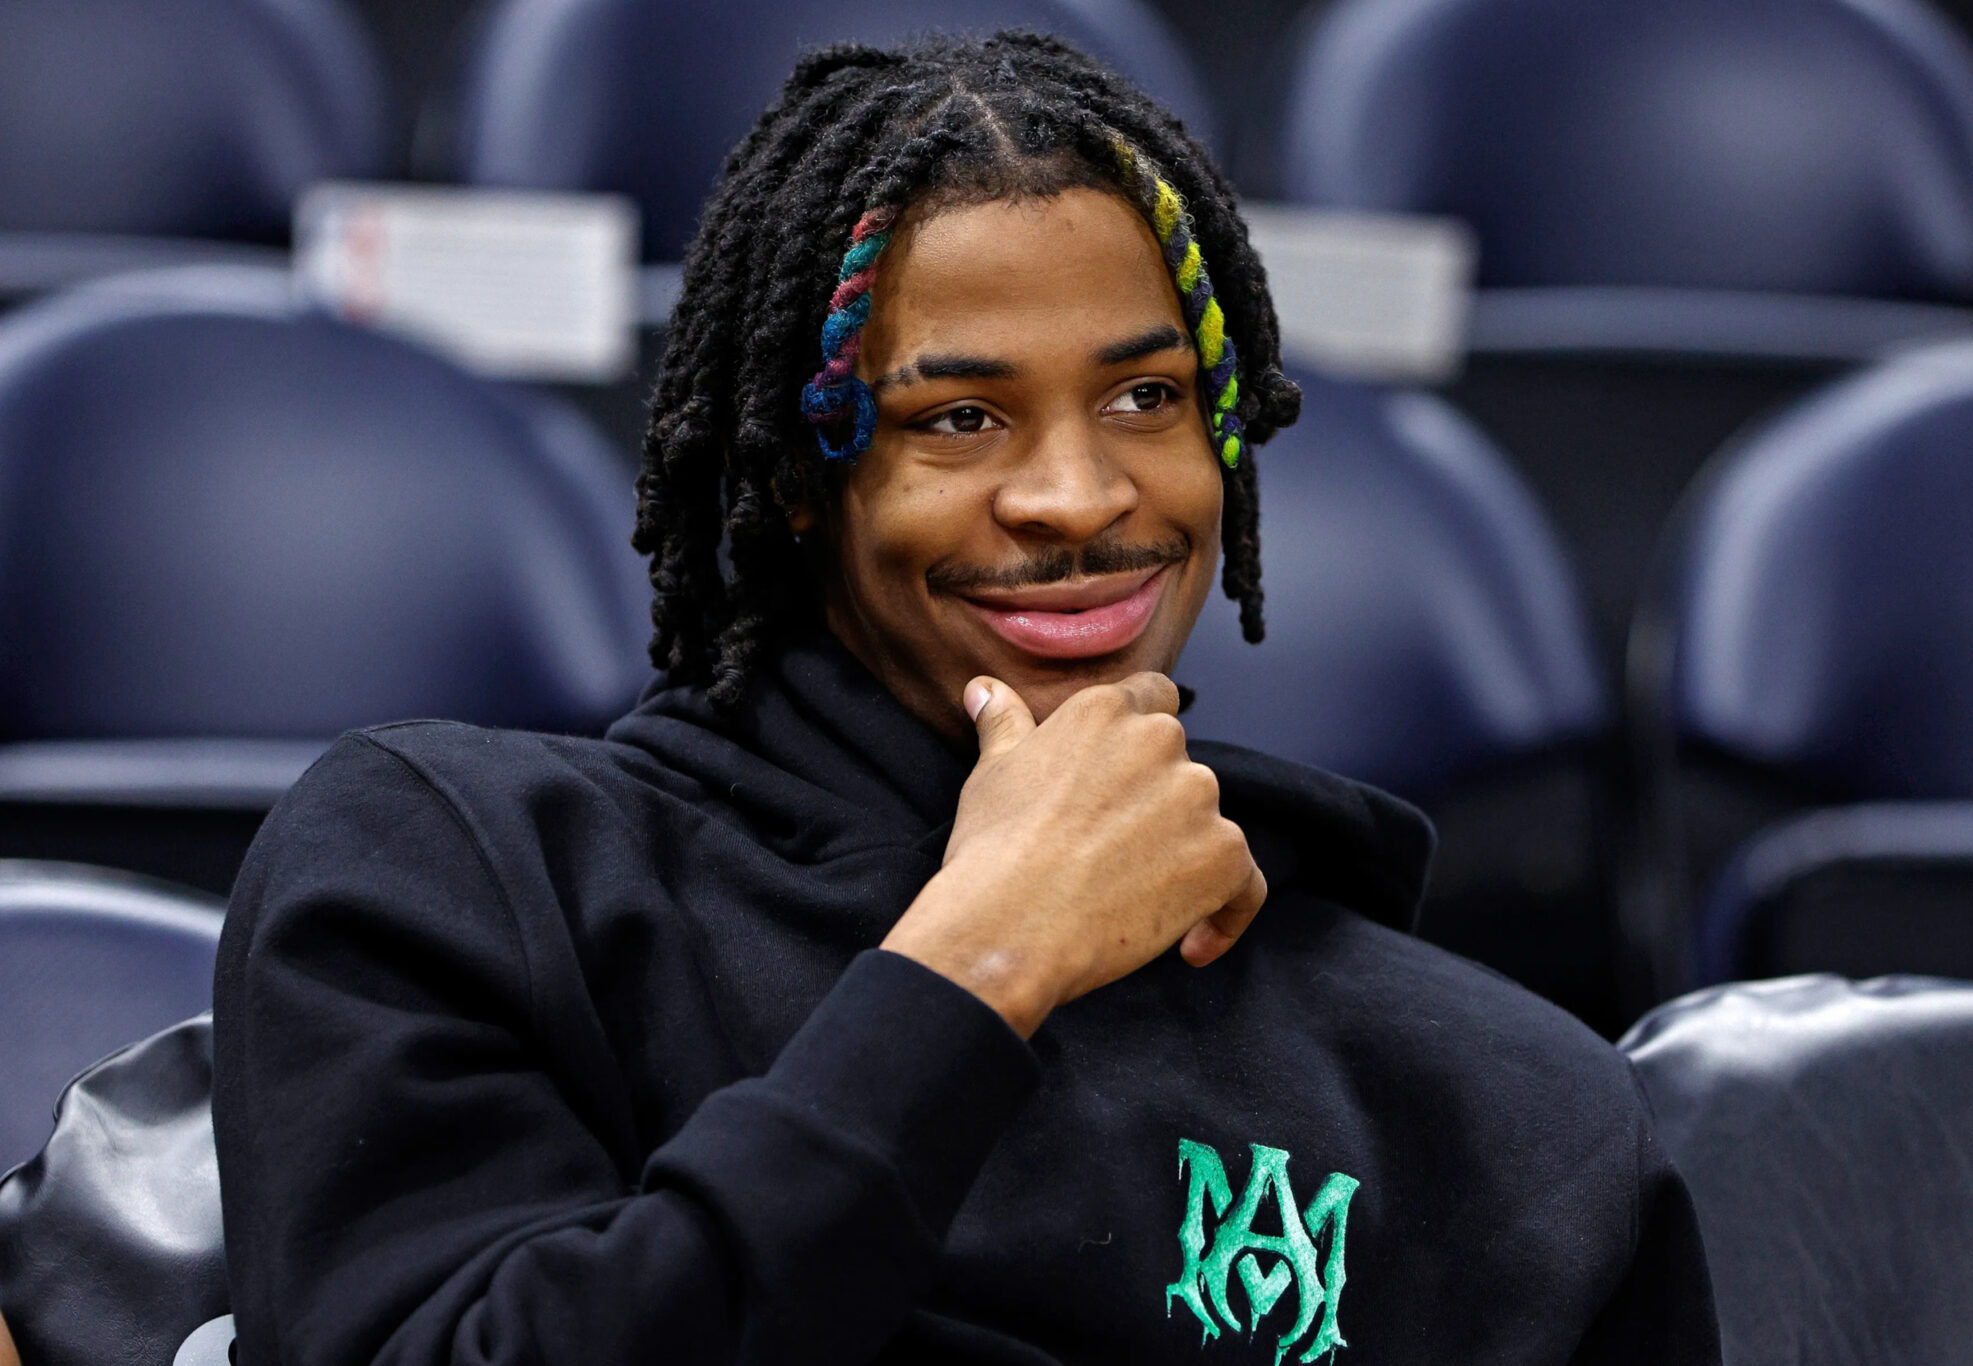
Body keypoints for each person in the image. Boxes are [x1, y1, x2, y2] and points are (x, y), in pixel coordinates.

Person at [213, 32, 1720, 1366]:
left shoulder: (1500, 1102)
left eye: (1146, 397)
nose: (1078, 494)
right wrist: (978, 967)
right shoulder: (469, 873)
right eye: (961, 417)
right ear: (800, 477)